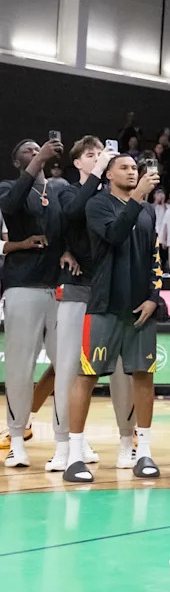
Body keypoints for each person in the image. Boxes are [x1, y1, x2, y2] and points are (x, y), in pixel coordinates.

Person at [66, 154, 162, 482]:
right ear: (108, 174)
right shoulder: (98, 205)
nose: (132, 171)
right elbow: (115, 235)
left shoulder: (149, 211)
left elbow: (155, 258)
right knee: (87, 376)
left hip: (141, 310)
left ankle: (144, 452)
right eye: (124, 167)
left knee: (144, 377)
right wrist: (137, 198)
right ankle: (74, 456)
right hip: (105, 305)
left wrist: (153, 298)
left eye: (136, 168)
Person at [51, 137, 135, 472]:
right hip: (77, 289)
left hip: (111, 292)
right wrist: (64, 249)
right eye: (90, 155)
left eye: (101, 153)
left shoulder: (110, 197)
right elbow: (69, 215)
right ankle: (64, 443)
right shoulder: (70, 192)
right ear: (78, 163)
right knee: (69, 368)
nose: (98, 158)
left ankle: (127, 441)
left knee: (119, 371)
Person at [0, 137, 68, 469]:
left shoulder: (55, 194)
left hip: (57, 289)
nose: (34, 151)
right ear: (18, 163)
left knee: (66, 367)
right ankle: (15, 439)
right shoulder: (10, 187)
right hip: (22, 286)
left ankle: (65, 442)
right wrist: (37, 160)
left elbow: (67, 231)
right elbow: (10, 207)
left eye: (37, 148)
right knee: (19, 367)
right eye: (26, 150)